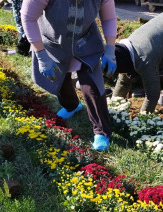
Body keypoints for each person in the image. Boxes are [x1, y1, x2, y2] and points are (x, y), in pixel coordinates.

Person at [21, 0, 117, 151]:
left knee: (92, 85)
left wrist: (110, 49)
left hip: (86, 41)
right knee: (58, 79)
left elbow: (109, 18)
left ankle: (101, 131)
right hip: (54, 42)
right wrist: (41, 55)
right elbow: (28, 17)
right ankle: (71, 106)